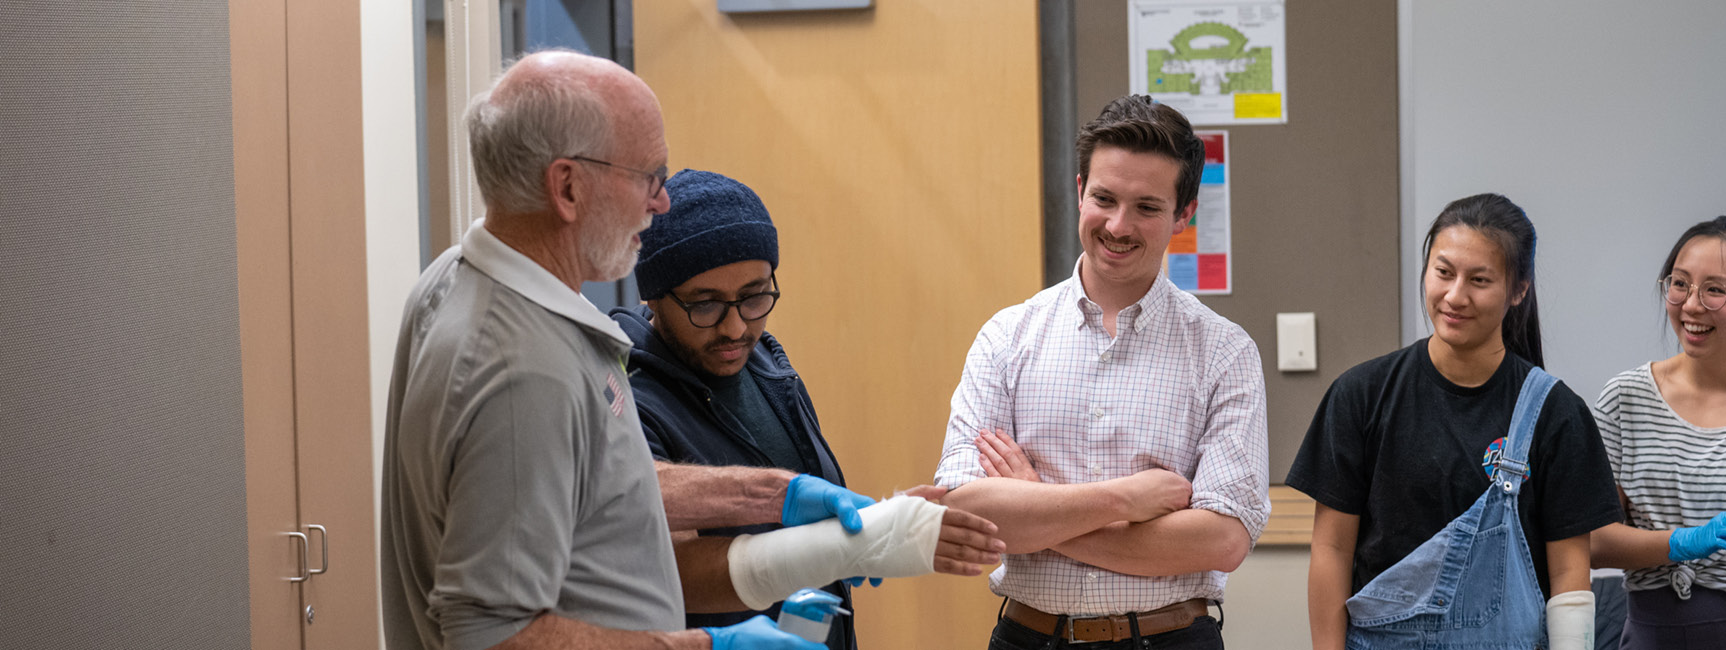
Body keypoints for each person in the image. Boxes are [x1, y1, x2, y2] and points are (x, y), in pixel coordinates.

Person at [381, 51, 1000, 650]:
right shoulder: (521, 366)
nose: (661, 202)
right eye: (647, 177)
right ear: (566, 187)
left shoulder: (457, 277)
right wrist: (707, 644)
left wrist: (773, 495)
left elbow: (588, 481)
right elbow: (494, 635)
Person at [934, 94, 1271, 650]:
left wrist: (1035, 502)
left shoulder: (1225, 352)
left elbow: (1221, 539)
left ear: (1184, 214)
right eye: (1105, 198)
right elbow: (966, 511)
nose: (1118, 225)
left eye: (1147, 207)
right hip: (1029, 637)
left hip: (1170, 638)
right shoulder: (1006, 337)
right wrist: (1123, 501)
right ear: (1079, 190)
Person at [613, 169, 943, 649]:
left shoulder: (766, 362)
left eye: (754, 296)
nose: (733, 328)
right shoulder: (627, 397)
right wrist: (836, 551)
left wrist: (872, 530)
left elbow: (809, 512)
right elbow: (672, 566)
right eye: (705, 305)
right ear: (654, 295)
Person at [1286, 193, 1621, 650]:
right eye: (1443, 272)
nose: (1455, 296)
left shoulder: (1555, 413)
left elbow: (1569, 573)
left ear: (1519, 289)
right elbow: (1332, 549)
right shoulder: (1362, 395)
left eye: (1479, 280)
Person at [1590, 216, 1726, 648]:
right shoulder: (1624, 398)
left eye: (1715, 290)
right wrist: (1681, 542)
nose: (1690, 305)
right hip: (1654, 633)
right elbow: (1591, 542)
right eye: (1680, 283)